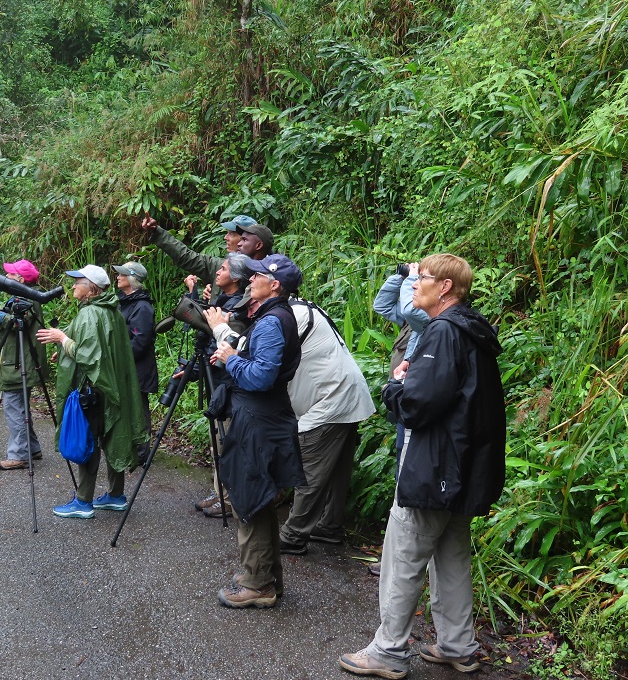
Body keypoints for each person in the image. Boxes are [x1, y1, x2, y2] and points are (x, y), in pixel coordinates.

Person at [339, 254, 506, 679]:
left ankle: (388, 651)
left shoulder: (443, 333)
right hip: (461, 470)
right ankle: (457, 645)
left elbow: (418, 405)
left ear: (445, 288)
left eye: (423, 278)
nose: (414, 283)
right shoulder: (472, 331)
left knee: (404, 557)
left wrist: (396, 384)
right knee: (451, 558)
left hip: (433, 468)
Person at [203, 253, 306, 609]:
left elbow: (261, 377)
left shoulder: (272, 321)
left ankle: (258, 584)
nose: (250, 279)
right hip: (262, 417)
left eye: (258, 275)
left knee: (251, 498)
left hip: (261, 421)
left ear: (274, 285)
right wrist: (234, 353)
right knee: (256, 497)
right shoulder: (270, 317)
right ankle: (263, 575)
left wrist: (231, 358)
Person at [36, 265, 148, 518]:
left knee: (88, 440)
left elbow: (90, 357)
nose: (73, 285)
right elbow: (102, 350)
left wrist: (62, 339)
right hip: (111, 388)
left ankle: (83, 501)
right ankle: (115, 495)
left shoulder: (90, 314)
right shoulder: (112, 311)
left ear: (92, 288)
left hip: (93, 390)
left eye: (78, 281)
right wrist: (65, 351)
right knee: (112, 436)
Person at [277, 298, 375, 554]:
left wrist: (222, 331)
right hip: (344, 395)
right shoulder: (299, 309)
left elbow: (256, 355)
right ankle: (329, 526)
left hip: (331, 400)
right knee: (335, 469)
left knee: (310, 467)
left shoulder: (291, 316)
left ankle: (293, 535)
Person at [192, 252, 249, 519]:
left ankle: (227, 499)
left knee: (226, 440)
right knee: (218, 437)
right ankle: (219, 493)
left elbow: (227, 345)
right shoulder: (223, 300)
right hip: (219, 381)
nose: (217, 272)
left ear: (235, 277)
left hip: (228, 383)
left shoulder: (236, 308)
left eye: (223, 269)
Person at [0, 259, 49, 469]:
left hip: (19, 363)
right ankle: (32, 448)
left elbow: (18, 324)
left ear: (20, 279)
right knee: (20, 406)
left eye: (11, 275)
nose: (6, 278)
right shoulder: (28, 296)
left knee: (14, 408)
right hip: (22, 360)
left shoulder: (27, 298)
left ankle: (18, 455)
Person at [141, 212, 257, 297]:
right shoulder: (221, 266)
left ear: (247, 239)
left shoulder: (263, 274)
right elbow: (187, 257)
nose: (225, 238)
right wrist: (157, 232)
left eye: (232, 234)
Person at [113, 261, 158, 465]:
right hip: (125, 367)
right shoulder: (124, 302)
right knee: (126, 408)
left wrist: (118, 359)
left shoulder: (142, 307)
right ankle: (130, 447)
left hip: (137, 369)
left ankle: (141, 452)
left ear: (132, 279)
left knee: (138, 408)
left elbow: (139, 342)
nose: (118, 277)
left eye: (122, 274)